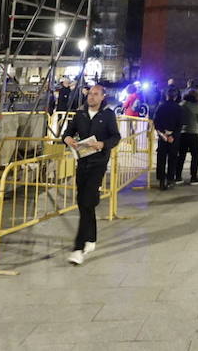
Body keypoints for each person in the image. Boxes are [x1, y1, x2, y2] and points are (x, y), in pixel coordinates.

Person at [62, 83, 121, 265]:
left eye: (96, 94)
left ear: (103, 97)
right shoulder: (80, 114)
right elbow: (67, 132)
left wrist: (103, 144)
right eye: (90, 94)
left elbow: (115, 137)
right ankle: (91, 238)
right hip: (82, 162)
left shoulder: (108, 115)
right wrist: (68, 139)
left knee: (87, 201)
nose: (92, 97)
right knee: (84, 203)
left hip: (98, 163)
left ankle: (78, 248)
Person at [152, 88, 184, 190]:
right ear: (175, 97)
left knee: (161, 159)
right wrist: (173, 136)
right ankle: (170, 179)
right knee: (173, 158)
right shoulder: (178, 108)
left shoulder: (161, 107)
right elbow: (180, 124)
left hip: (163, 136)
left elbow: (156, 122)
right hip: (174, 137)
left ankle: (161, 180)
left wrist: (163, 135)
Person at [179, 90, 198, 184]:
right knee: (195, 156)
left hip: (182, 133)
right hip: (193, 133)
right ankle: (193, 176)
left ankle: (177, 176)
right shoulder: (196, 107)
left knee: (181, 155)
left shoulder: (181, 105)